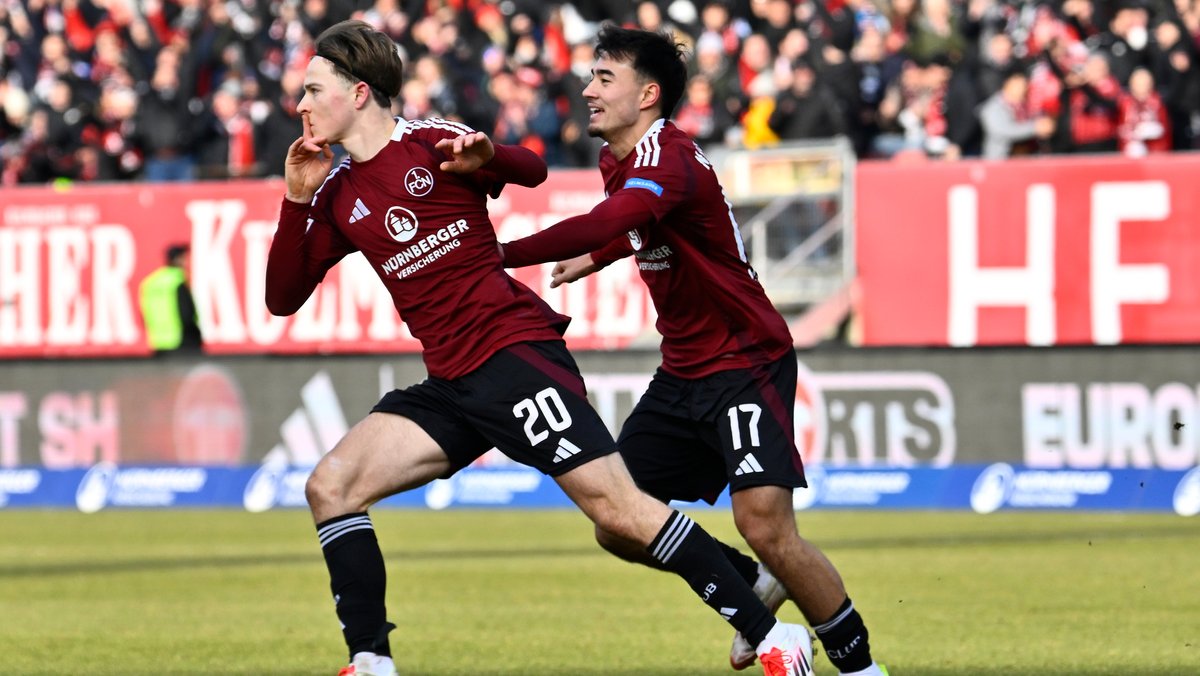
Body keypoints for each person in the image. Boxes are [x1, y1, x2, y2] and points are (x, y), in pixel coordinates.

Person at [265, 20, 816, 676]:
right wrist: (296, 200)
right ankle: (371, 661)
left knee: (618, 510)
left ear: (358, 93)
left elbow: (533, 168)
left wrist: (489, 158)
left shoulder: (431, 142)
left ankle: (772, 635)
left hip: (515, 357)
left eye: (312, 90)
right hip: (452, 383)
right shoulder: (335, 195)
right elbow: (282, 297)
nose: (300, 104)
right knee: (331, 486)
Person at [498, 25, 887, 676]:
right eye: (591, 76)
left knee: (767, 528)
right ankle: (755, 586)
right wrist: (599, 257)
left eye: (604, 78)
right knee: (618, 519)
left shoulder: (667, 156)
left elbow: (615, 218)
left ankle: (861, 670)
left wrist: (502, 253)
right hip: (681, 370)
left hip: (745, 360)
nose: (588, 89)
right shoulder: (618, 160)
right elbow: (635, 226)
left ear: (647, 94)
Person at [138, 243, 203, 354]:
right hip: (182, 341)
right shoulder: (177, 282)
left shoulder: (150, 283)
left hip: (158, 342)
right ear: (177, 259)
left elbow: (144, 312)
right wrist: (196, 335)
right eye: (184, 258)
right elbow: (186, 315)